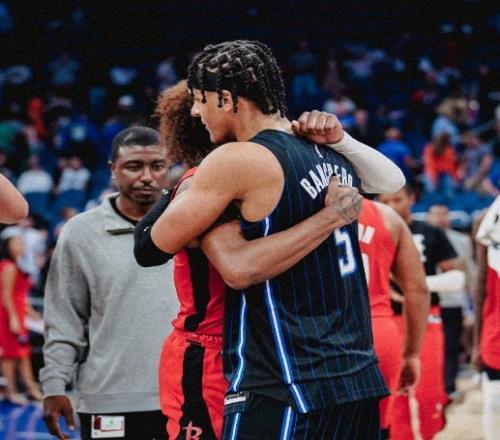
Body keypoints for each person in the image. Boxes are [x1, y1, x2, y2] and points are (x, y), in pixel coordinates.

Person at [150, 40, 405, 438]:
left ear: (226, 99)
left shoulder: (236, 160)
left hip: (287, 376)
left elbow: (154, 244)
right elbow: (391, 181)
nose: (195, 112)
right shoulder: (329, 151)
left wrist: (186, 184)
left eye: (200, 100)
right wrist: (341, 144)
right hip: (355, 373)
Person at [40, 127, 178, 440]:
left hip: (185, 396)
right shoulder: (80, 233)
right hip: (107, 398)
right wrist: (54, 385)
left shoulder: (193, 224)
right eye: (133, 166)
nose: (146, 177)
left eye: (157, 166)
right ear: (113, 169)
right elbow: (64, 318)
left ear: (169, 167)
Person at [378, 184, 465, 440]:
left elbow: (456, 277)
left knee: (429, 392)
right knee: (394, 396)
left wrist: (416, 287)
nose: (392, 206)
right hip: (387, 319)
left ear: (411, 199)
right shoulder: (374, 233)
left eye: (397, 200)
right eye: (386, 201)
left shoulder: (430, 232)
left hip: (426, 317)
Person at [358, 199, 430, 439]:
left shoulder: (298, 206)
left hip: (314, 334)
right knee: (376, 429)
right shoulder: (386, 216)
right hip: (377, 332)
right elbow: (418, 289)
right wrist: (411, 354)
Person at [427, 204, 476, 398]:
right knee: (431, 347)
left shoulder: (463, 240)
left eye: (443, 214)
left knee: (451, 346)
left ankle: (449, 387)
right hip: (430, 300)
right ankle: (433, 388)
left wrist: (470, 308)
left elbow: (470, 273)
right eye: (435, 214)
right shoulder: (421, 237)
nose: (440, 218)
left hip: (454, 300)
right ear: (429, 217)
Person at [0, 231, 43, 404]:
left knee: (24, 353)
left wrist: (30, 312)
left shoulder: (18, 265)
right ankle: (11, 391)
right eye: (16, 242)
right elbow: (6, 295)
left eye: (21, 242)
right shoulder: (8, 266)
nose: (21, 246)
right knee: (10, 355)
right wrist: (13, 318)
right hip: (8, 315)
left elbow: (21, 295)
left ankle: (31, 387)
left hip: (18, 313)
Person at [472, 196, 500, 440]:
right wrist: (475, 343)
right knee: (494, 404)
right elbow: (480, 285)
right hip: (495, 330)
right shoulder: (487, 220)